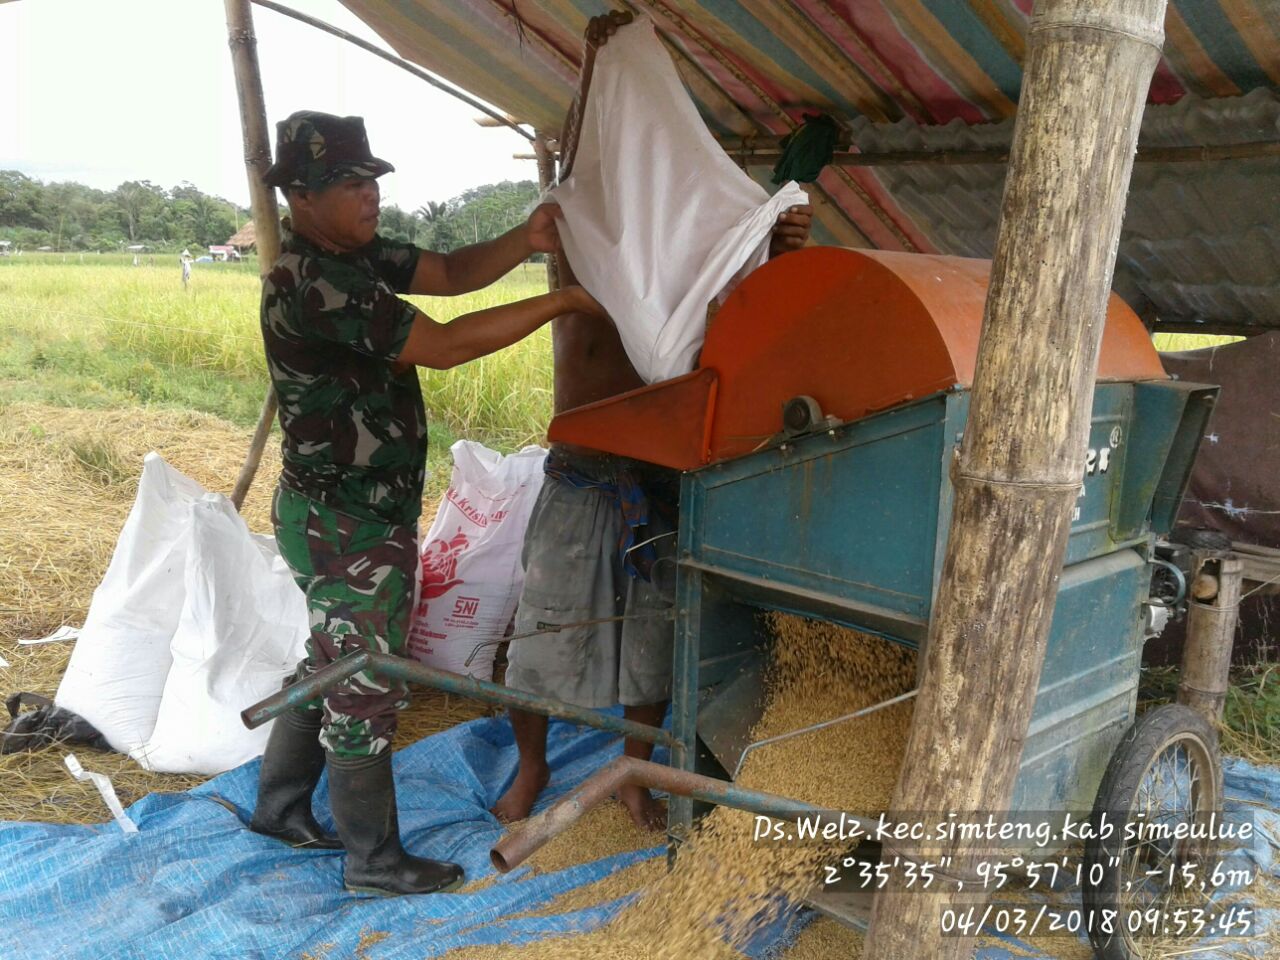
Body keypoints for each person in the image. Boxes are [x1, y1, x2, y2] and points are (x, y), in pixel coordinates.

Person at [248, 110, 607, 896]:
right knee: (364, 682)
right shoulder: (315, 283)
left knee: (331, 660)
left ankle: (278, 808)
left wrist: (526, 240)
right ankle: (373, 861)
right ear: (302, 198)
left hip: (349, 509)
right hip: (345, 519)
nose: (369, 195)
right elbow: (444, 346)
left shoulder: (357, 252)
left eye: (372, 180)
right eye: (350, 184)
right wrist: (561, 303)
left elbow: (447, 273)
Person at [492, 12, 813, 830]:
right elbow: (584, 164)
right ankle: (530, 768)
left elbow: (747, 316)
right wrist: (601, 71)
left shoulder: (691, 251)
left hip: (657, 467)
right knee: (542, 631)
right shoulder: (576, 226)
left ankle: (631, 771)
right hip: (584, 465)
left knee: (648, 646)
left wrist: (774, 249)